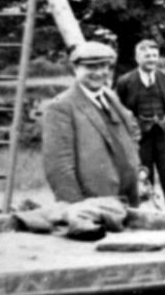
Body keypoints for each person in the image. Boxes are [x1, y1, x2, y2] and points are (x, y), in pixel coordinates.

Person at [42, 41, 141, 207]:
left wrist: (137, 169)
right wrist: (78, 209)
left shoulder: (111, 97)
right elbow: (59, 167)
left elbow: (132, 134)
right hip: (93, 206)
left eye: (104, 66)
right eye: (91, 67)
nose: (99, 73)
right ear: (75, 68)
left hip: (128, 199)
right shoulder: (60, 106)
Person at [115, 39, 165, 214]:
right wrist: (125, 136)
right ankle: (142, 215)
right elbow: (116, 110)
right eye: (147, 56)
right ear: (137, 58)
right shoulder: (125, 81)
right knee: (141, 177)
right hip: (139, 138)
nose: (151, 59)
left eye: (154, 56)